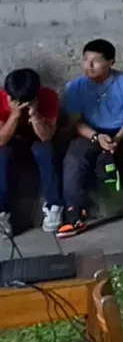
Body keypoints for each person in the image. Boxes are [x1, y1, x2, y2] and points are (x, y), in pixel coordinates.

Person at [58, 39, 123, 236]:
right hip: (90, 133)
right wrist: (96, 137)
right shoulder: (75, 87)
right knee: (74, 158)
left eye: (95, 61)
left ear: (110, 63)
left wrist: (119, 137)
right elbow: (75, 122)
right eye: (85, 60)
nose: (88, 66)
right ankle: (74, 214)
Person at [0, 68, 60, 234]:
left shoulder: (48, 97)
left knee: (45, 150)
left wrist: (34, 115)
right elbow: (1, 140)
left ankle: (53, 206)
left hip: (36, 143)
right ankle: (1, 212)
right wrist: (14, 115)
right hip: (11, 145)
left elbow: (46, 137)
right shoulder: (1, 99)